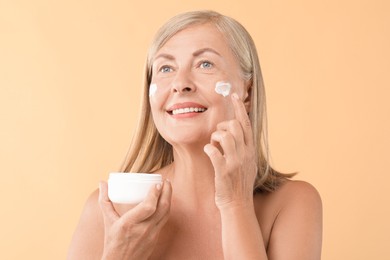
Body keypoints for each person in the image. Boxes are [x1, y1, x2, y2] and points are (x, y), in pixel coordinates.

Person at [67, 10, 322, 259]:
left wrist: (236, 205)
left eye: (205, 64)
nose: (180, 83)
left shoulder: (292, 204)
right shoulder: (109, 210)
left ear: (247, 92)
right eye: (166, 68)